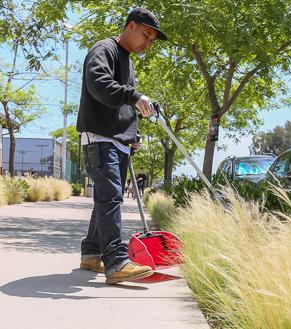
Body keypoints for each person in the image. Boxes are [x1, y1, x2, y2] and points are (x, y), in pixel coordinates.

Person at [76, 8, 168, 285]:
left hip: (118, 141)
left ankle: (92, 253)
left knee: (107, 196)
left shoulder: (127, 61)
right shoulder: (104, 50)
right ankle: (116, 262)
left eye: (152, 40)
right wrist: (134, 96)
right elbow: (99, 85)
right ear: (131, 26)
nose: (148, 43)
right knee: (111, 196)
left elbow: (122, 106)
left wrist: (132, 136)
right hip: (100, 139)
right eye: (146, 34)